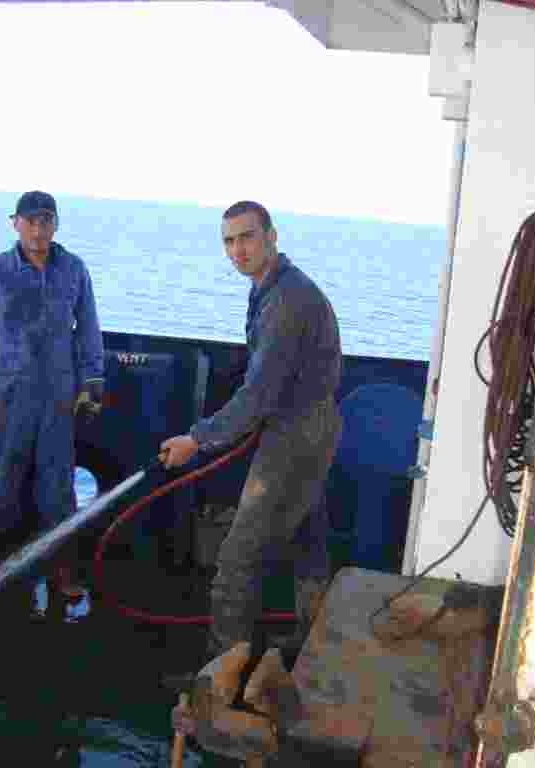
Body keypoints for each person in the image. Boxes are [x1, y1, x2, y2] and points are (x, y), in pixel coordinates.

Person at [159, 200, 342, 663]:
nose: (237, 250)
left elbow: (257, 395)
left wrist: (196, 439)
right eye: (228, 241)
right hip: (309, 425)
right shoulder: (272, 287)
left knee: (236, 562)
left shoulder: (284, 301)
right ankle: (308, 650)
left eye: (247, 237)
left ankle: (221, 680)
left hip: (295, 433)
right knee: (306, 541)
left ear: (272, 237)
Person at [0, 191, 104, 597]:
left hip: (59, 396)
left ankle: (62, 570)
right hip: (8, 397)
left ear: (55, 224)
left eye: (47, 220)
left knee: (57, 489)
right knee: (0, 484)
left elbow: (89, 329)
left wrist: (92, 384)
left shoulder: (74, 270)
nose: (39, 229)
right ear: (15, 223)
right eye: (31, 221)